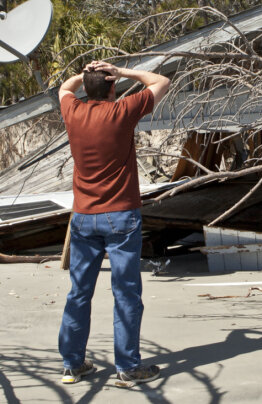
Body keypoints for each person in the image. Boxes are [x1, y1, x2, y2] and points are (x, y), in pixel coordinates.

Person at [56, 60, 170, 385]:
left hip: (83, 218)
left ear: (86, 89)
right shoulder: (121, 111)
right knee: (126, 293)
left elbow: (64, 88)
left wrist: (87, 75)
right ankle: (128, 367)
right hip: (120, 215)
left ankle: (72, 364)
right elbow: (160, 81)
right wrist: (123, 71)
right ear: (112, 88)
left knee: (79, 292)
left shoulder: (73, 112)